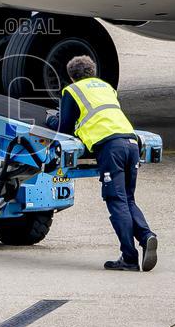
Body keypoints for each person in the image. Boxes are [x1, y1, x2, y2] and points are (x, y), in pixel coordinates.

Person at [47, 55, 158, 272]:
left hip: (110, 147)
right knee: (128, 198)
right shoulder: (107, 88)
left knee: (116, 200)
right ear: (92, 72)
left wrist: (52, 119)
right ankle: (146, 236)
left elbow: (64, 127)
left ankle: (129, 257)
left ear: (71, 76)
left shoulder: (73, 91)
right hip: (131, 142)